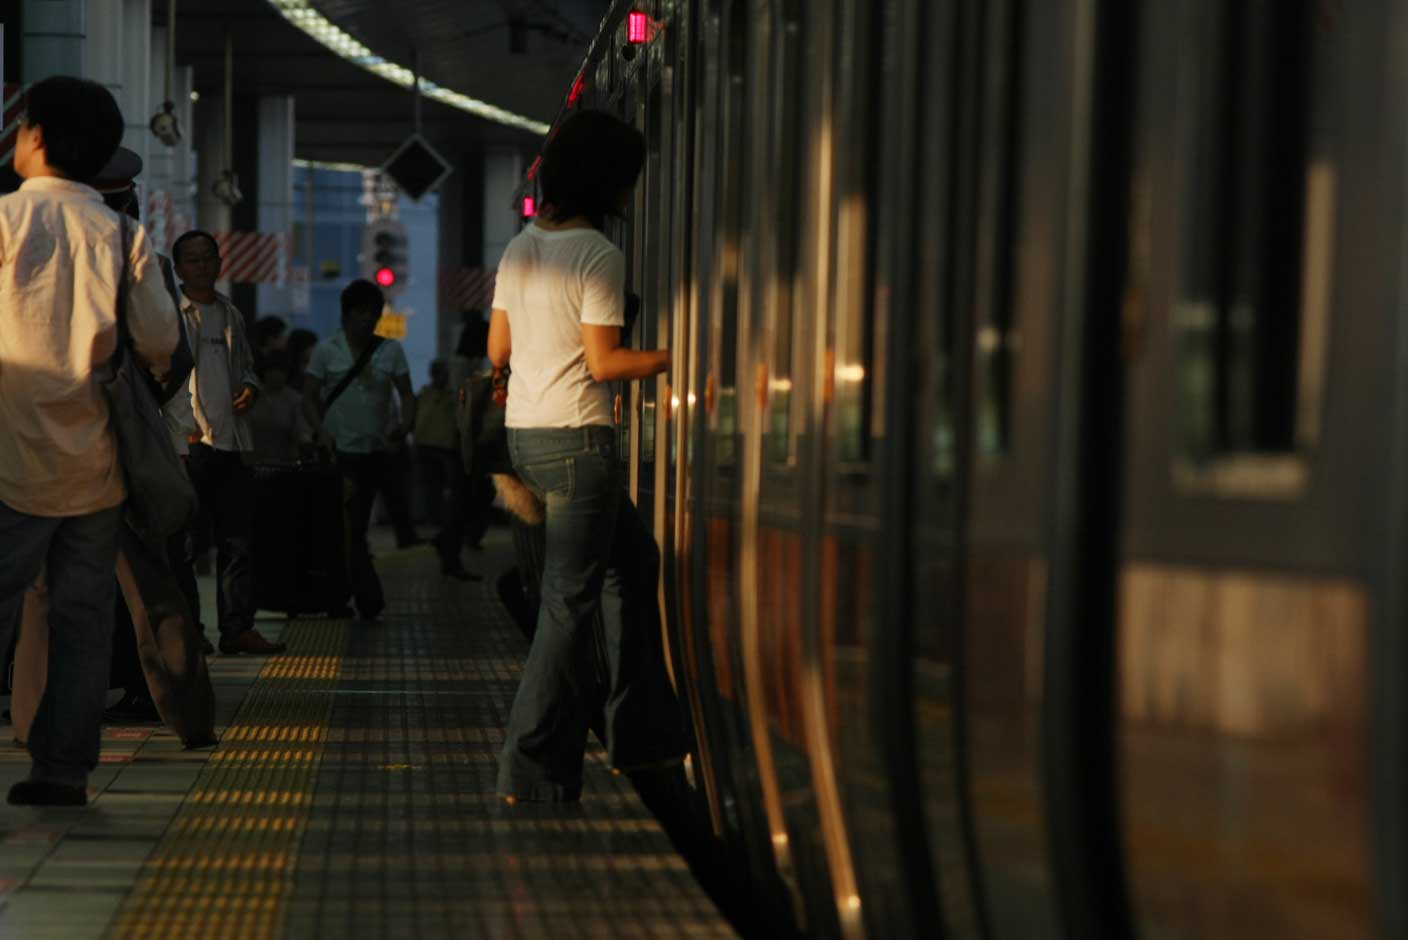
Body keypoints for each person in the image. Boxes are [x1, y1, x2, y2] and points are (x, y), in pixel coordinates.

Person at [0, 76, 180, 805]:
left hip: (7, 456)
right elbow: (163, 340)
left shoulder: (6, 222)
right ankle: (61, 771)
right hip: (95, 465)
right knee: (81, 618)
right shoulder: (122, 234)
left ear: (37, 137)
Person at [491, 110, 678, 803]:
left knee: (635, 565)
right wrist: (678, 359)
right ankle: (530, 764)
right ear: (610, 182)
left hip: (526, 437)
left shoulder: (521, 248)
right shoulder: (598, 254)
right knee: (568, 605)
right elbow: (605, 363)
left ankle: (642, 734)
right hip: (578, 442)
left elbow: (497, 352)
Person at [168, 229, 285, 655]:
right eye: (192, 259)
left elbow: (248, 368)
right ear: (178, 268)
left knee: (237, 542)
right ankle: (190, 633)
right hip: (187, 443)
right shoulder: (170, 314)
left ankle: (237, 630)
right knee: (185, 546)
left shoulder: (230, 314)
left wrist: (250, 388)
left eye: (208, 257)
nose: (202, 265)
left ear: (220, 263)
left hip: (230, 444)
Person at [302, 278, 418, 622]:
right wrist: (320, 432)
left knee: (353, 527)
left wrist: (405, 425)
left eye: (373, 313)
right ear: (346, 314)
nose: (367, 319)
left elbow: (408, 394)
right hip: (337, 454)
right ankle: (362, 597)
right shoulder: (327, 350)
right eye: (360, 312)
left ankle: (346, 598)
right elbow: (309, 395)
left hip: (376, 452)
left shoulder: (391, 351)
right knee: (346, 526)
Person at [247, 353, 310, 464]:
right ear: (265, 372)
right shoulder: (251, 396)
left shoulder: (295, 400)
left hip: (285, 463)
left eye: (281, 371)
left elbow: (303, 432)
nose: (276, 375)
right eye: (272, 371)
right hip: (251, 462)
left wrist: (304, 439)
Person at [285, 327, 319, 392]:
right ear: (302, 347)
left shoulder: (313, 367)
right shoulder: (290, 370)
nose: (316, 349)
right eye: (313, 346)